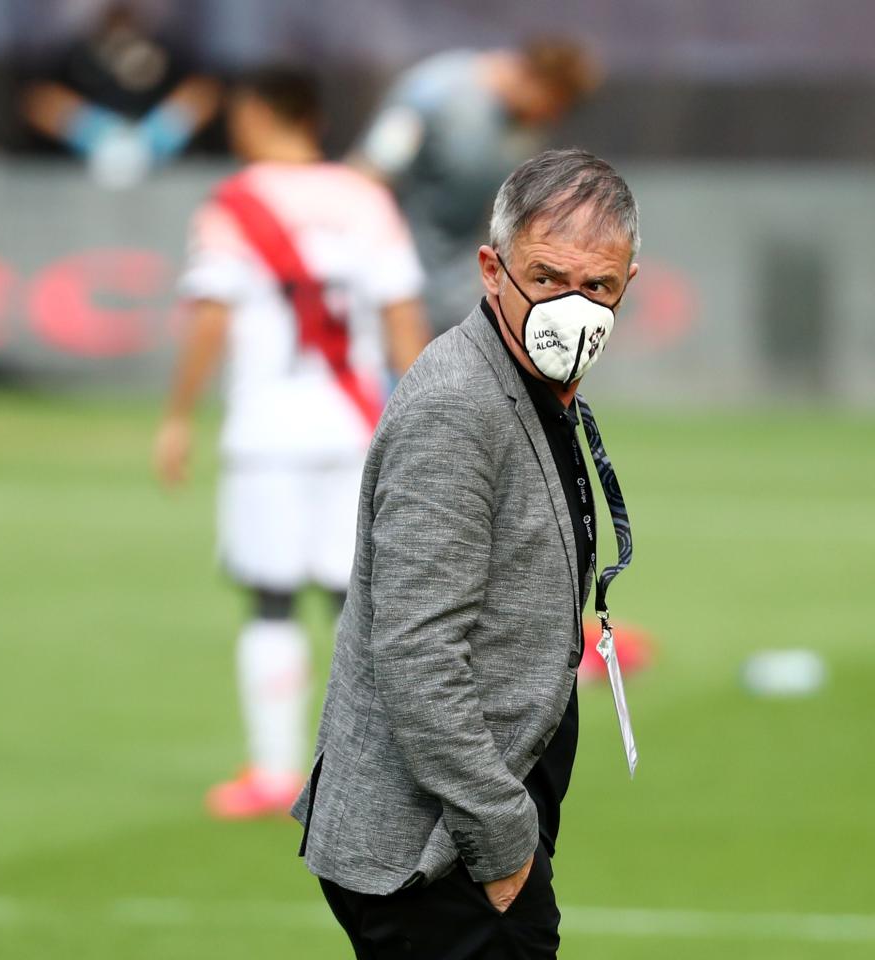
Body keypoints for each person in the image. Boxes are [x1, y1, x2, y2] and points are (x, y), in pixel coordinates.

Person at [295, 149, 641, 958]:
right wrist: (502, 842)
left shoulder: (530, 387)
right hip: (435, 852)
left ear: (629, 282)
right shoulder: (459, 405)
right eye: (548, 277)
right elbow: (418, 650)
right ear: (493, 269)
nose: (574, 307)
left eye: (599, 288)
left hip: (463, 831)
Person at [153, 66, 431, 820]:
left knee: (272, 601)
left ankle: (276, 772)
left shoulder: (235, 204)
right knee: (358, 602)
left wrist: (177, 414)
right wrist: (429, 415)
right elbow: (403, 317)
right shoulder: (365, 198)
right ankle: (375, 771)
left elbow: (213, 315)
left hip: (269, 431)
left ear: (260, 114)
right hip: (355, 427)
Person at [352, 39, 601, 329]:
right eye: (554, 105)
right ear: (533, 79)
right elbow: (368, 176)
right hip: (396, 301)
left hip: (458, 305)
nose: (552, 118)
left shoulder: (525, 128)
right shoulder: (433, 94)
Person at [21, 2, 220, 188]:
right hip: (83, 178)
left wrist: (158, 133)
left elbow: (205, 92)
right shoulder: (75, 53)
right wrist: (90, 131)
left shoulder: (168, 49)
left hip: (162, 177)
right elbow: (38, 100)